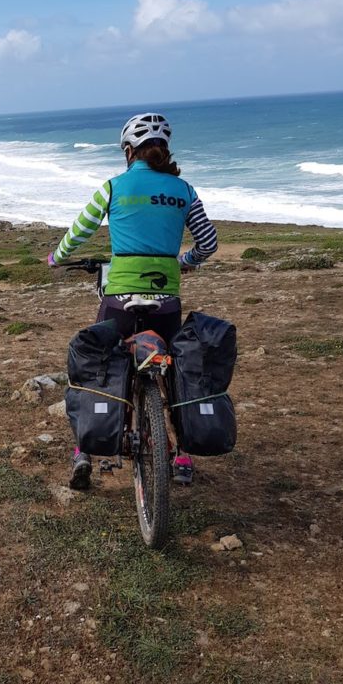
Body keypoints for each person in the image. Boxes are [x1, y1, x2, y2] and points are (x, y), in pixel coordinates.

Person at [48, 113, 218, 490]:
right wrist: (184, 263)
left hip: (119, 297)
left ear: (129, 151)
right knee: (174, 370)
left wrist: (55, 258)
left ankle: (84, 451)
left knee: (98, 362)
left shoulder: (112, 187)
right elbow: (209, 243)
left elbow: (77, 232)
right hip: (166, 301)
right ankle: (184, 454)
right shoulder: (185, 190)